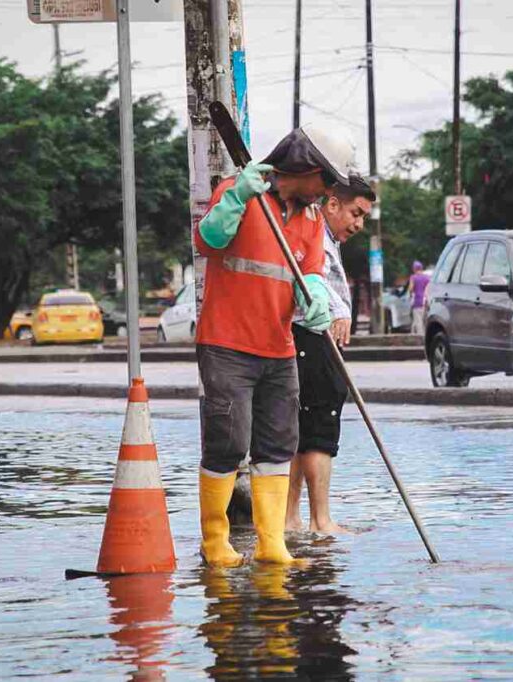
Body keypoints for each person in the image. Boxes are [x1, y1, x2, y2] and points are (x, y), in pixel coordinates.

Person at [194, 123, 356, 567]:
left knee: (278, 444)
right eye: (326, 180)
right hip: (227, 342)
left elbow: (312, 271)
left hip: (279, 345)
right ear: (306, 166)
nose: (327, 191)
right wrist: (234, 199)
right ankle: (216, 542)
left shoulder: (309, 218)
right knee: (227, 441)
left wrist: (317, 297)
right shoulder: (239, 191)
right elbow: (208, 241)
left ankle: (271, 545)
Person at [285, 174, 376, 534]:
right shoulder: (314, 231)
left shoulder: (319, 233)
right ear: (333, 203)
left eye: (365, 216)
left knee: (301, 427)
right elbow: (312, 278)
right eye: (356, 213)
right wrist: (339, 312)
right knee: (318, 424)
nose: (359, 224)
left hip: (308, 335)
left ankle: (291, 519)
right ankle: (319, 520)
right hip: (312, 333)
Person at [407, 260, 431, 336]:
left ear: (414, 269)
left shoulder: (413, 277)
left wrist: (410, 294)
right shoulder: (427, 278)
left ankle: (420, 337)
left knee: (418, 321)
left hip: (416, 301)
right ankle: (413, 334)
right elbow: (428, 290)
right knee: (422, 320)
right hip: (424, 301)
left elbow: (411, 288)